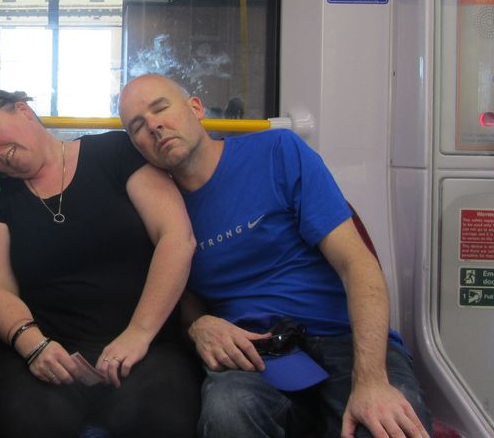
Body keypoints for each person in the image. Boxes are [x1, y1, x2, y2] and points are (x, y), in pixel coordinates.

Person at [118, 74, 433, 438]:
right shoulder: (160, 211)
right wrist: (198, 325)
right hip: (256, 351)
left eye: (161, 108)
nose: (154, 126)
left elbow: (357, 264)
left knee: (391, 425)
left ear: (196, 108)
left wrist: (372, 380)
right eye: (137, 126)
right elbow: (183, 295)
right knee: (229, 409)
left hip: (344, 337)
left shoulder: (277, 151)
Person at [0, 90, 200, 438]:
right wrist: (32, 344)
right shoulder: (1, 196)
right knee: (24, 424)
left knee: (162, 420)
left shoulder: (113, 152)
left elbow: (176, 238)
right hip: (46, 348)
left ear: (23, 110)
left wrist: (139, 333)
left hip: (144, 344)